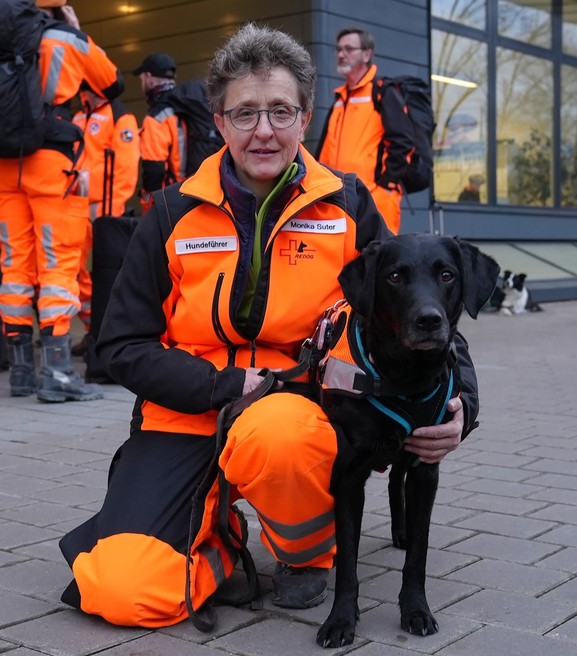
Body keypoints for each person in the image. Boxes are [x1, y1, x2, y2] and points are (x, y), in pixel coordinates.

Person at [59, 22, 479, 628]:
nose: (263, 131)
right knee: (126, 593)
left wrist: (462, 399)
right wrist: (220, 387)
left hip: (293, 413)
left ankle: (308, 555)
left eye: (280, 111)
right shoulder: (172, 211)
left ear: (305, 116)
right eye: (245, 113)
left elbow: (420, 309)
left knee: (281, 434)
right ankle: (217, 547)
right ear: (219, 120)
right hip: (184, 410)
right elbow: (120, 346)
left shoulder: (348, 205)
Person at [0, 0, 124, 401]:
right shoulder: (65, 38)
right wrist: (78, 30)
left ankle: (21, 371)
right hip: (51, 162)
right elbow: (112, 84)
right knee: (59, 263)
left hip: (3, 164)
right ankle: (58, 373)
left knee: (14, 263)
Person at [316, 27, 414, 234]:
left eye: (349, 49)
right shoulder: (340, 98)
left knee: (379, 262)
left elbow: (403, 142)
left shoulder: (383, 92)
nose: (341, 54)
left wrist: (386, 186)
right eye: (339, 49)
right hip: (337, 198)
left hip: (375, 198)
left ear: (367, 54)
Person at [70, 87, 140, 355]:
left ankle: (101, 334)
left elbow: (126, 167)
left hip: (104, 212)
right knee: (76, 273)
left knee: (103, 278)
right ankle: (92, 330)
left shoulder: (120, 116)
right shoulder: (78, 117)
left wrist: (112, 209)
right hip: (75, 208)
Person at [134, 51, 183, 212]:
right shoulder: (189, 106)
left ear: (148, 77)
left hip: (173, 202)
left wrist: (148, 209)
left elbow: (154, 169)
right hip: (203, 194)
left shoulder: (156, 116)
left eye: (141, 79)